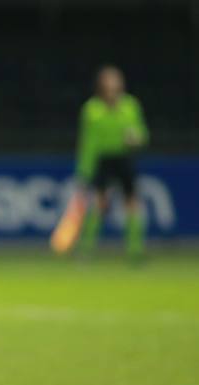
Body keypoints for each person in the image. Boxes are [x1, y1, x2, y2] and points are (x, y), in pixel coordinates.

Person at [76, 65, 149, 259]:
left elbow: (142, 133)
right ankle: (86, 249)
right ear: (101, 83)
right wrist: (84, 170)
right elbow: (87, 142)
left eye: (116, 79)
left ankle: (135, 250)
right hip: (103, 160)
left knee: (132, 203)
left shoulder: (131, 105)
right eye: (109, 79)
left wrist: (137, 139)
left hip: (124, 157)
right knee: (99, 203)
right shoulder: (92, 109)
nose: (113, 83)